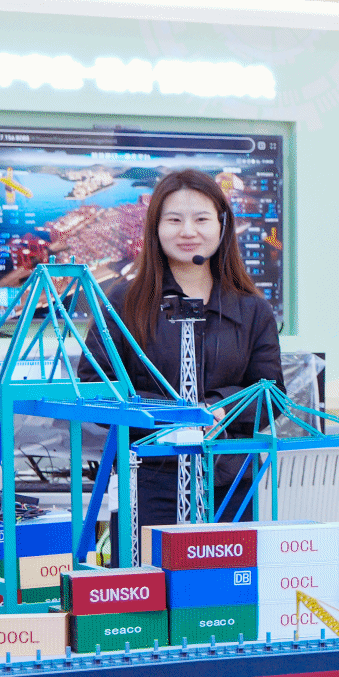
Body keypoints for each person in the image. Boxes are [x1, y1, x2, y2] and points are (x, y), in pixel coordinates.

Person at [90, 168, 281, 528]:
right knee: (146, 566)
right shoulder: (123, 302)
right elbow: (97, 388)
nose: (188, 231)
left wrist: (221, 408)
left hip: (229, 482)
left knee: (229, 567)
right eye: (174, 220)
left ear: (222, 225)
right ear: (155, 228)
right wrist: (179, 415)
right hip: (147, 477)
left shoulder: (253, 308)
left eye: (201, 219)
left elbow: (272, 396)